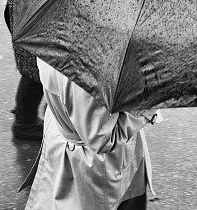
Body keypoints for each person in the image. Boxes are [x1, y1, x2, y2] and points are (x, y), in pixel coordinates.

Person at [21, 58, 161, 209]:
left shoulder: (53, 40)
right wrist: (148, 103)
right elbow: (103, 138)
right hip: (98, 162)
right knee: (119, 200)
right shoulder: (89, 69)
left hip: (66, 136)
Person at [5, 0, 45, 141]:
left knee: (35, 68)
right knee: (36, 69)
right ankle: (25, 122)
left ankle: (25, 118)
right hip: (35, 0)